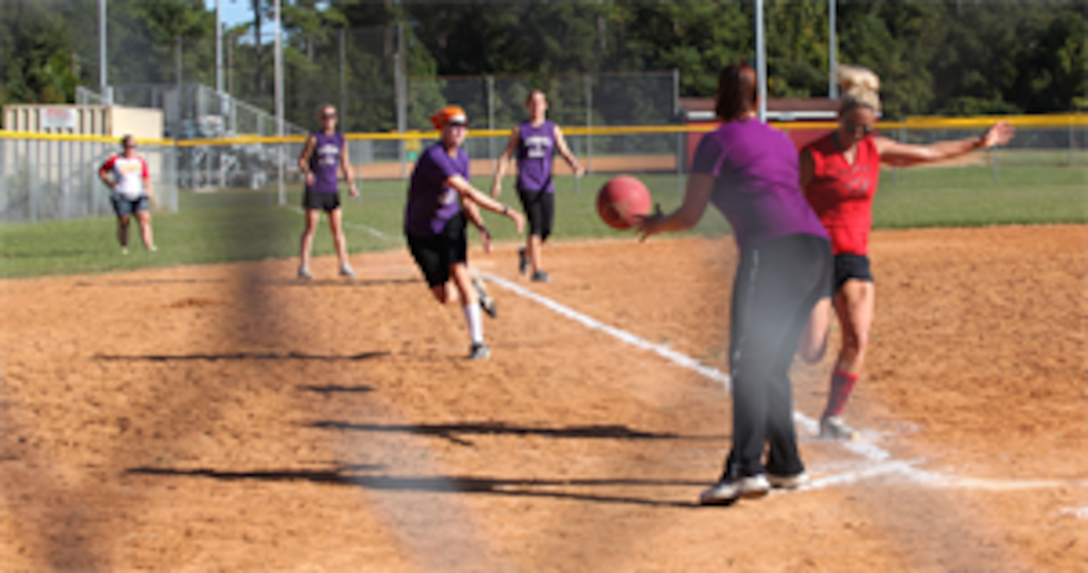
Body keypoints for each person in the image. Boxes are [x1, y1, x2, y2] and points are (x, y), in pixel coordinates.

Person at [637, 62, 832, 505]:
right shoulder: (779, 139)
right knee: (771, 365)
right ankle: (786, 463)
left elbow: (690, 215)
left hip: (774, 252)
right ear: (757, 97)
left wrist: (656, 223)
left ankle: (746, 469)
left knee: (747, 362)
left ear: (718, 97)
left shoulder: (715, 142)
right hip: (816, 250)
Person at [797, 65, 1016, 441]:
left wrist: (978, 143)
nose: (857, 134)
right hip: (814, 258)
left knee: (858, 339)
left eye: (866, 128)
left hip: (853, 257)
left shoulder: (873, 149)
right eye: (851, 126)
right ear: (839, 118)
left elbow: (928, 152)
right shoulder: (814, 156)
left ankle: (832, 417)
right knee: (811, 351)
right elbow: (787, 203)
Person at [405, 105, 525, 360]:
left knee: (459, 272)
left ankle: (478, 343)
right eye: (453, 125)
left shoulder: (463, 158)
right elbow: (469, 191)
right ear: (442, 128)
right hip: (421, 231)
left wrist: (480, 225)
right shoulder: (434, 156)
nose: (459, 131)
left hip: (450, 223)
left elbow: (465, 199)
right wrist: (506, 210)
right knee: (445, 296)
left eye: (463, 126)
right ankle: (477, 289)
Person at [490, 89, 584, 282]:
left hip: (546, 184)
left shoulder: (553, 128)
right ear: (527, 106)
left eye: (540, 102)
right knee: (536, 225)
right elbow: (506, 155)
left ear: (546, 105)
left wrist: (574, 164)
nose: (536, 106)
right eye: (533, 102)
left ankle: (526, 253)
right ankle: (537, 269)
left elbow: (564, 150)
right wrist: (497, 181)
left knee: (547, 230)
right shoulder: (521, 129)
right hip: (527, 183)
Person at [297, 104, 359, 279]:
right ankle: (304, 266)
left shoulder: (340, 140)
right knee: (310, 228)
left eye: (331, 116)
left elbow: (345, 163)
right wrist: (308, 173)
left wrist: (351, 185)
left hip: (332, 189)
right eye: (325, 116)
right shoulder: (315, 138)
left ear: (336, 119)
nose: (329, 119)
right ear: (320, 119)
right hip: (315, 189)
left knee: (337, 229)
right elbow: (302, 160)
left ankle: (344, 264)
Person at [99, 135, 156, 254]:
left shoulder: (140, 160)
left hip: (138, 194)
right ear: (123, 147)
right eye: (128, 146)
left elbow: (146, 177)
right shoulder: (116, 160)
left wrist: (149, 189)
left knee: (145, 219)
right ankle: (124, 247)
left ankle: (149, 247)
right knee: (124, 221)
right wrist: (109, 183)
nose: (130, 148)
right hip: (121, 194)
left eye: (132, 146)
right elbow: (102, 171)